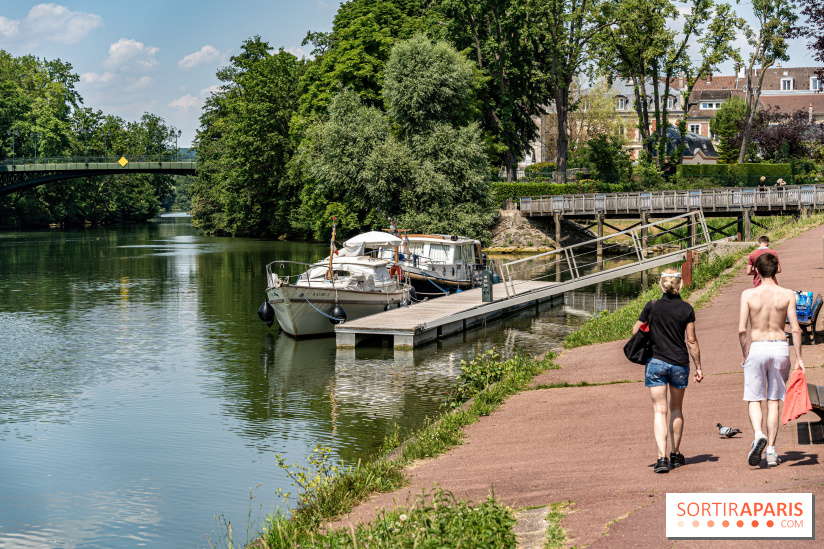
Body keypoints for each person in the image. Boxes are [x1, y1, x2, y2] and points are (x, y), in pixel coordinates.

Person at [633, 267, 703, 473]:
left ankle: (661, 458)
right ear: (680, 284)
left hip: (656, 362)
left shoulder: (652, 306)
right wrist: (698, 366)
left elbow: (636, 331)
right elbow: (691, 340)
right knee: (676, 408)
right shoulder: (687, 308)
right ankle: (675, 454)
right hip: (679, 363)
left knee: (659, 410)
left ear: (661, 285)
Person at [737, 252, 803, 467]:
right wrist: (799, 358)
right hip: (779, 346)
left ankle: (758, 434)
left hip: (757, 346)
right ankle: (772, 451)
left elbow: (742, 330)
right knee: (774, 400)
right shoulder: (787, 294)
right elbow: (795, 329)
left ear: (756, 270)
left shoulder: (748, 294)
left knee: (754, 398)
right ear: (776, 270)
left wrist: (745, 354)